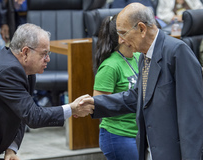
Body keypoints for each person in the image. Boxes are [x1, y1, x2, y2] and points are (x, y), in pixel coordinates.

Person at [80, 3, 203, 160]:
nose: (121, 40)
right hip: (149, 150)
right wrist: (94, 103)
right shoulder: (143, 57)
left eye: (123, 33)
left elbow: (192, 115)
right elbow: (137, 97)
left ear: (142, 29)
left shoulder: (177, 52)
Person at [0, 23, 93, 160]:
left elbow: (21, 113)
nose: (48, 59)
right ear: (25, 52)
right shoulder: (8, 71)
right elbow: (33, 116)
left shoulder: (25, 71)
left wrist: (11, 149)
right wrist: (72, 109)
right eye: (44, 54)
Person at [93, 14, 140, 159]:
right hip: (118, 135)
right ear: (123, 37)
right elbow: (100, 105)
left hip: (138, 132)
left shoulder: (139, 57)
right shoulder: (110, 66)